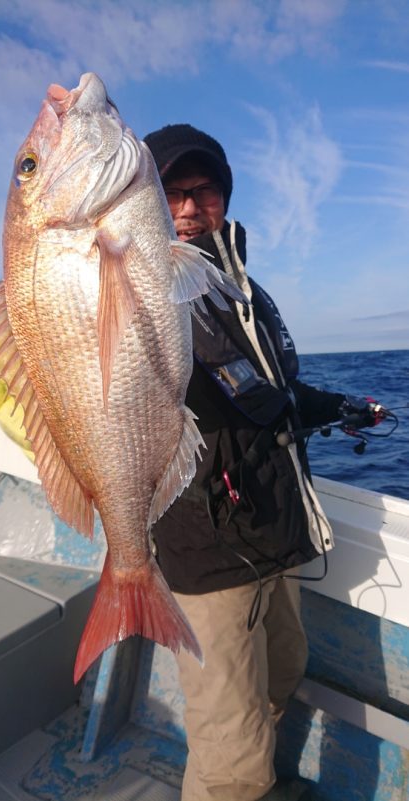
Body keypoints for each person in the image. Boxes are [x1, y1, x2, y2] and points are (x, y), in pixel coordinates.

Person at [144, 124, 381, 801]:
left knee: (283, 673)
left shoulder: (248, 291)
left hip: (275, 535)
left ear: (224, 198)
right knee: (230, 756)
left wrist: (340, 404)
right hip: (207, 552)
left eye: (205, 190)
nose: (190, 207)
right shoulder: (142, 287)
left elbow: (272, 396)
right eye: (173, 193)